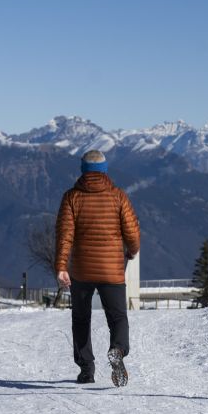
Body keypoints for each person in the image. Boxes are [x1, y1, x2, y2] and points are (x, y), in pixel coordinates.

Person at [55, 150, 140, 387]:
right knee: (117, 317)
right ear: (105, 170)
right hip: (112, 271)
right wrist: (132, 251)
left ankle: (86, 370)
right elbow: (132, 233)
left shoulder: (71, 197)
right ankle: (118, 350)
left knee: (81, 318)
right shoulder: (118, 196)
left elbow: (64, 236)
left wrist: (61, 266)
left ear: (83, 170)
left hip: (81, 270)